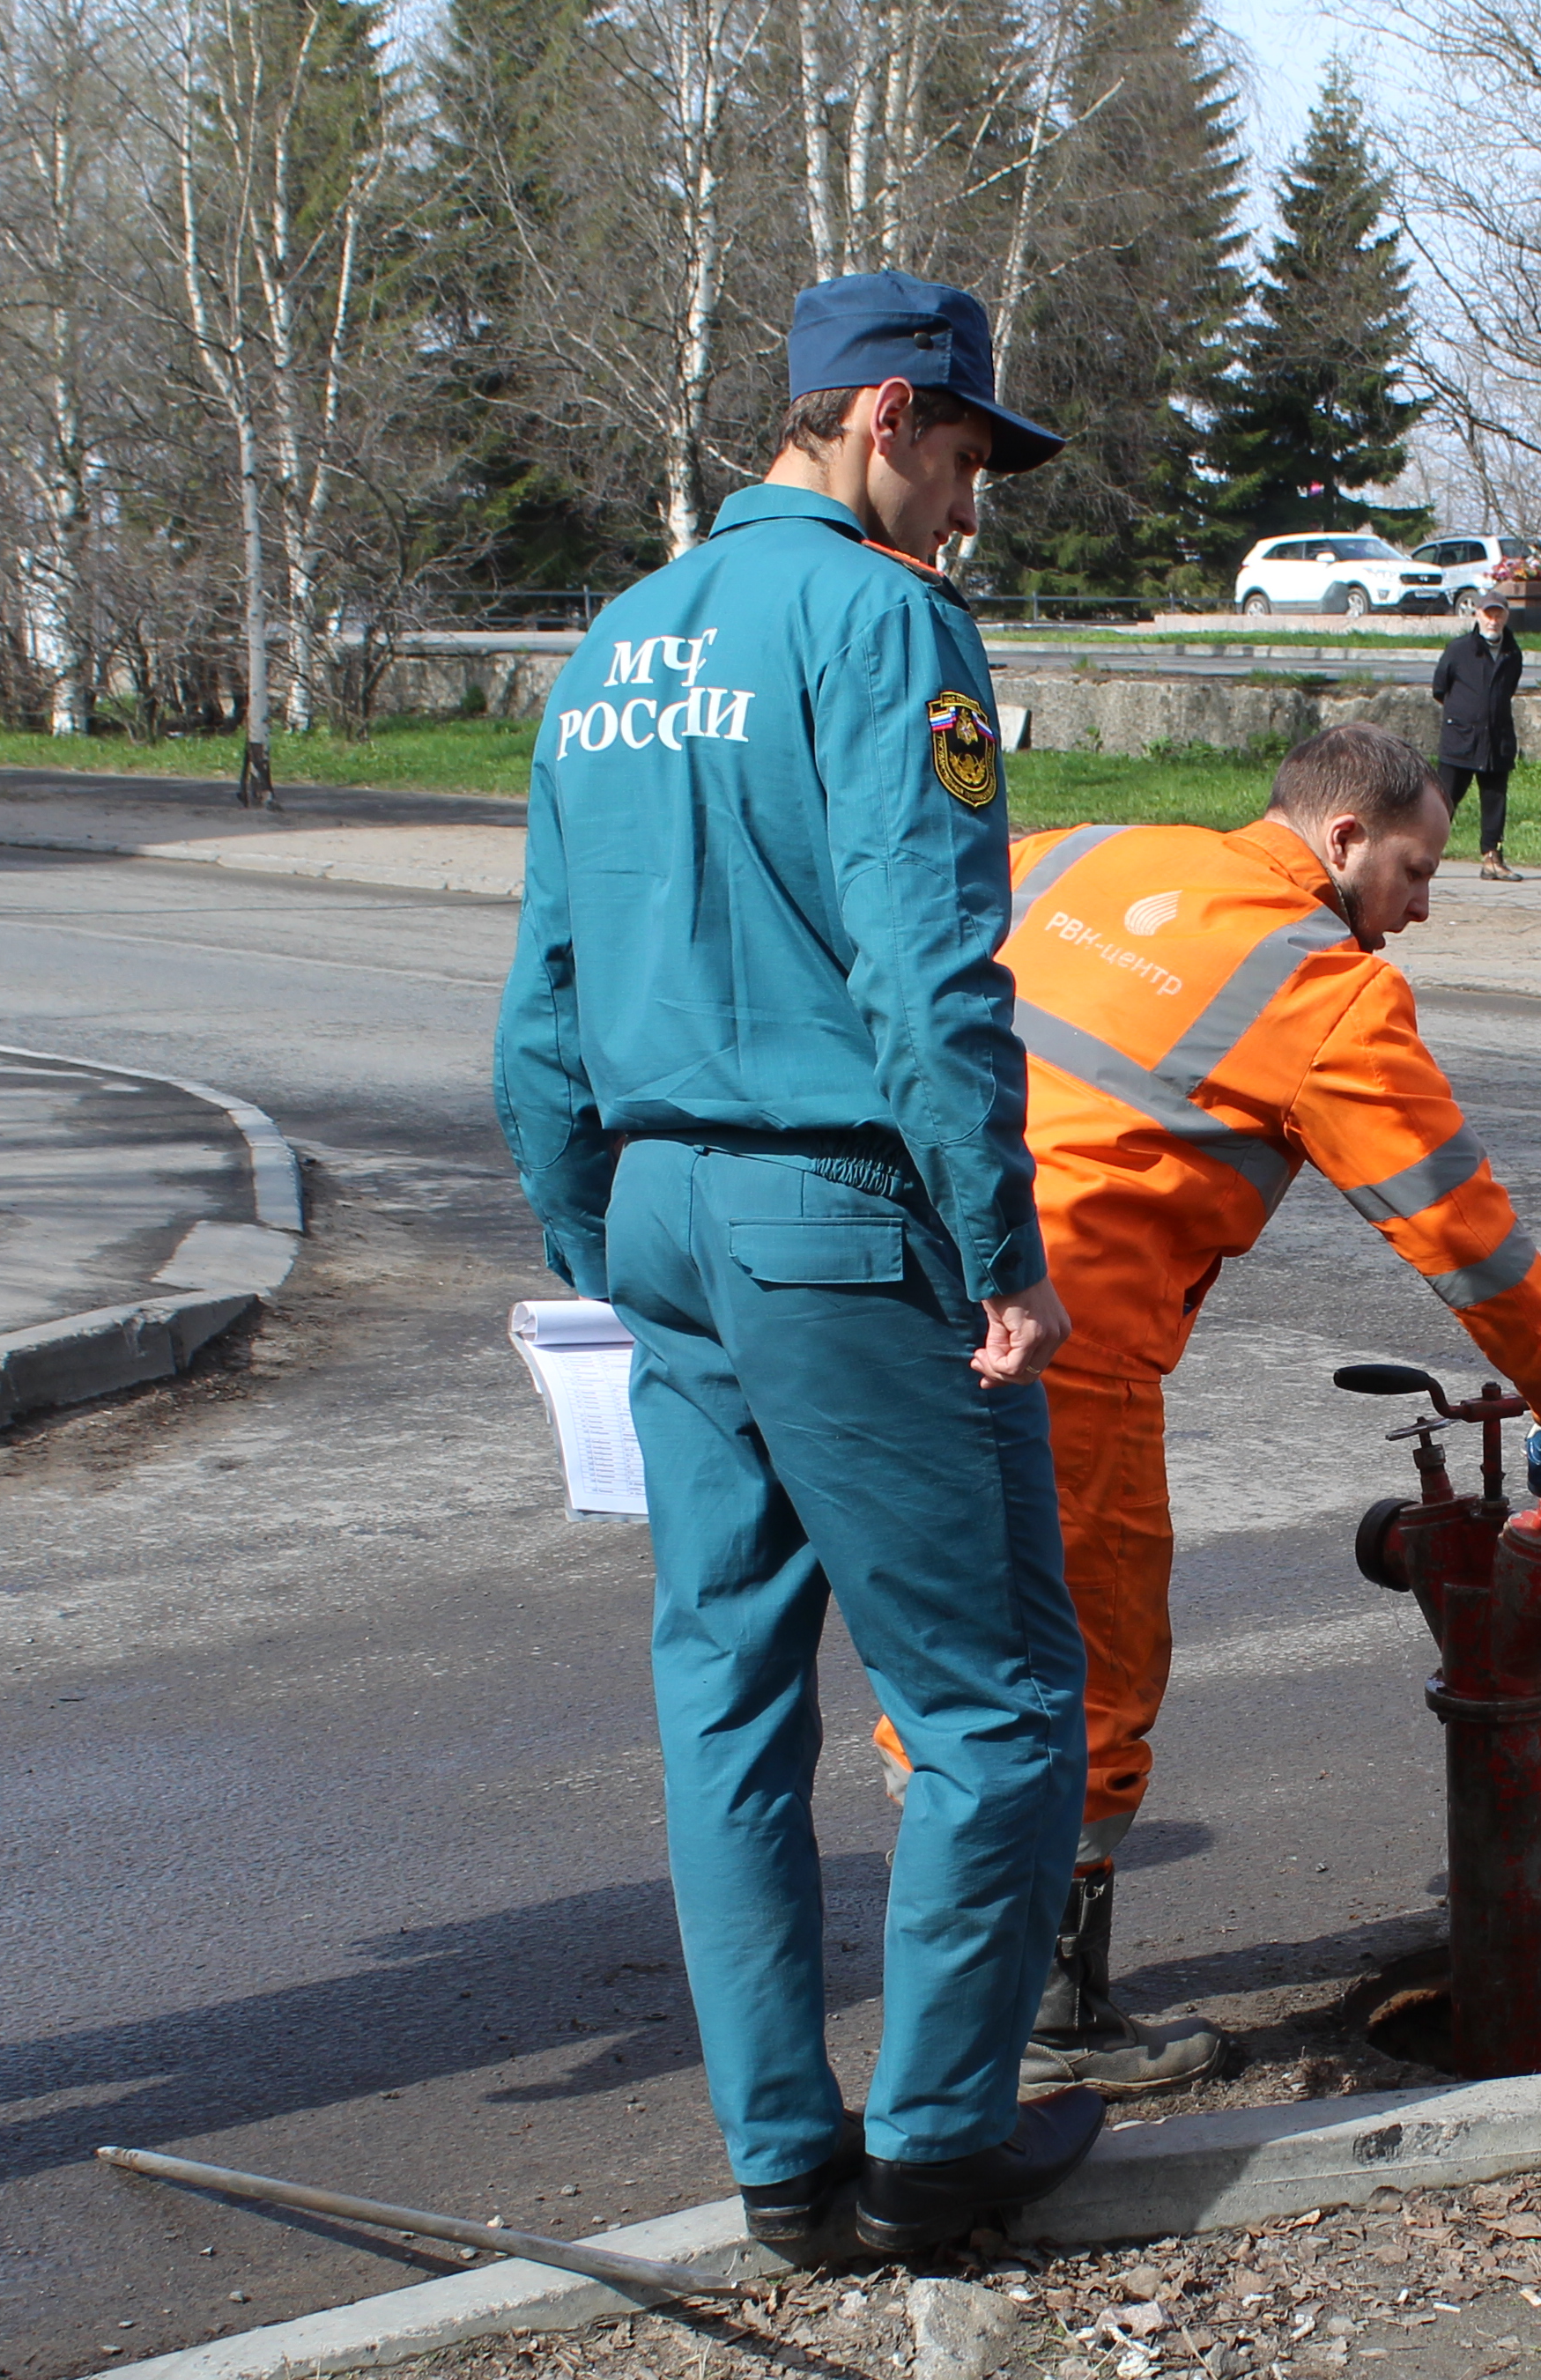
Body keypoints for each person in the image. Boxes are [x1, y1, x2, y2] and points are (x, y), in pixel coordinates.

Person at [493, 270, 1106, 2265]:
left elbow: (537, 1018)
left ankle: (783, 2157)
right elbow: (933, 972)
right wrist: (998, 1247)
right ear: (874, 419)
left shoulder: (608, 646)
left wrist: (615, 1240)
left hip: (663, 1209)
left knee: (728, 1700)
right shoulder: (884, 622)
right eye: (956, 454)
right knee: (1002, 1699)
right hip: (838, 1212)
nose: (966, 501)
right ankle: (933, 2147)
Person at [945, 721, 1541, 2079]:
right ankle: (1045, 2021)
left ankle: (953, 1984)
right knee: (1087, 1678)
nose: (1422, 909)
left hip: (908, 1291)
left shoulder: (1080, 854)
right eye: (1416, 875)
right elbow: (1456, 1227)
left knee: (952, 1658)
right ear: (1345, 841)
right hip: (1069, 1350)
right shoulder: (1322, 990)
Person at [1428, 590, 1524, 881]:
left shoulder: (1513, 653)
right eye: (1488, 614)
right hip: (1461, 740)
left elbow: (1507, 691)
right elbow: (1440, 689)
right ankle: (1422, 855)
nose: (1493, 620)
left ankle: (1492, 858)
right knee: (1442, 801)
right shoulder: (1459, 650)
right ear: (1477, 615)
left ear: (1506, 617)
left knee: (1495, 802)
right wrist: (1465, 716)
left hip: (1497, 741)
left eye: (1499, 614)